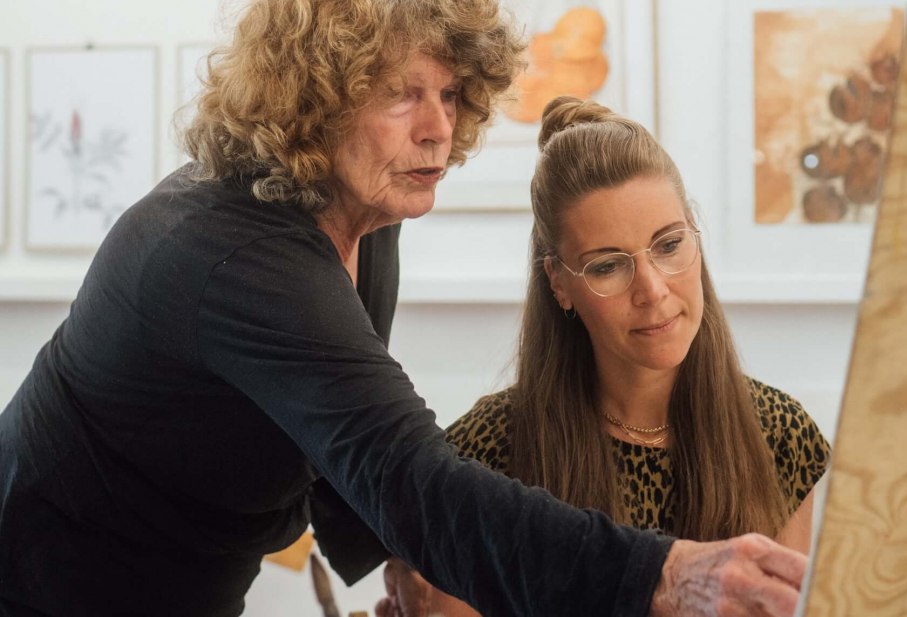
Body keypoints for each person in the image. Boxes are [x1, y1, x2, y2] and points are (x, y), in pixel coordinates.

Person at [0, 1, 808, 615]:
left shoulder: (360, 212)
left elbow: (328, 425)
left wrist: (398, 557)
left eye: (451, 93)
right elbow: (413, 475)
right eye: (400, 95)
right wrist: (665, 573)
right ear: (315, 98)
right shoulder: (242, 255)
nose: (437, 128)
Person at [375, 97, 831, 617]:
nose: (653, 290)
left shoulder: (783, 436)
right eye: (608, 266)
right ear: (559, 283)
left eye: (668, 245)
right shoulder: (482, 458)